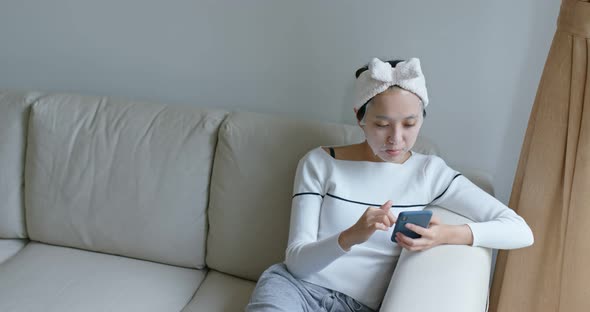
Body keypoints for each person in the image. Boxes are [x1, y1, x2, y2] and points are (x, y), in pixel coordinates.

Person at [245, 57, 534, 312]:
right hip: (294, 290)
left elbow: (520, 231)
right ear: (360, 119)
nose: (396, 138)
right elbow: (297, 264)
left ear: (422, 119)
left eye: (409, 124)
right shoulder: (319, 163)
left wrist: (448, 234)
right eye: (382, 125)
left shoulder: (430, 173)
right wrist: (352, 236)